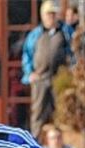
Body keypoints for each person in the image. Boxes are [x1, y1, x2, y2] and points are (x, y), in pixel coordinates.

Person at [22, 1, 70, 136]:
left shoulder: (65, 32)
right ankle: (35, 142)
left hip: (59, 79)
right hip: (40, 78)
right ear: (42, 16)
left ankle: (61, 142)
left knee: (61, 112)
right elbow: (27, 54)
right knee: (38, 113)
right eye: (48, 14)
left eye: (54, 14)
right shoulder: (35, 34)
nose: (51, 17)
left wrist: (70, 73)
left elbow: (73, 53)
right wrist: (29, 73)